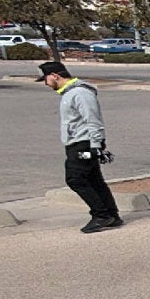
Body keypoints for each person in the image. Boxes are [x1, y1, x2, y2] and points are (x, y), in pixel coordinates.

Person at [38, 61, 122, 233]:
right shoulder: (69, 93)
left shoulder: (80, 93)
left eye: (46, 79)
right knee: (93, 179)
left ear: (55, 76)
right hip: (78, 144)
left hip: (84, 145)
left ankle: (101, 215)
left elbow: (93, 120)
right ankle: (112, 215)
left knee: (75, 178)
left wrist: (96, 146)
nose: (46, 83)